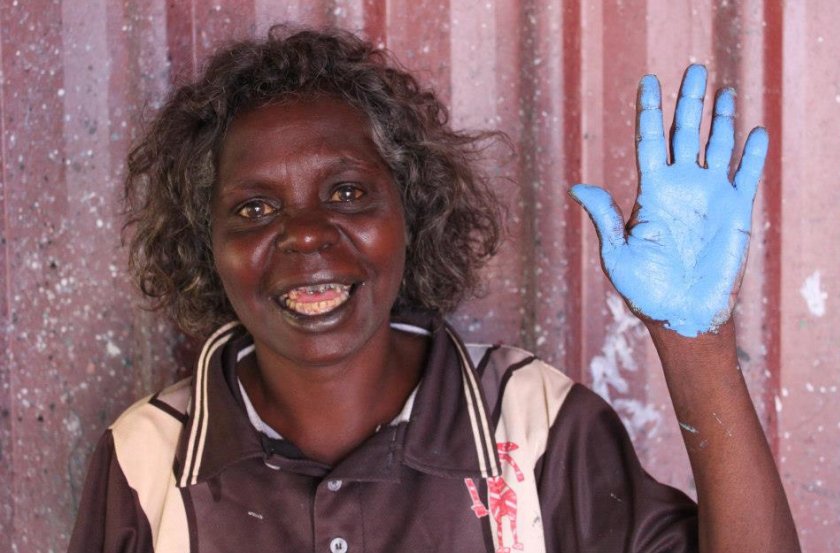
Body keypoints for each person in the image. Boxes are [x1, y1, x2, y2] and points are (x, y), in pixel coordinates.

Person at [68, 25, 800, 553]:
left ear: (410, 213)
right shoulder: (147, 461)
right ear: (207, 246)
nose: (306, 234)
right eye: (255, 209)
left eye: (349, 192)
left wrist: (695, 345)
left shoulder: (534, 426)